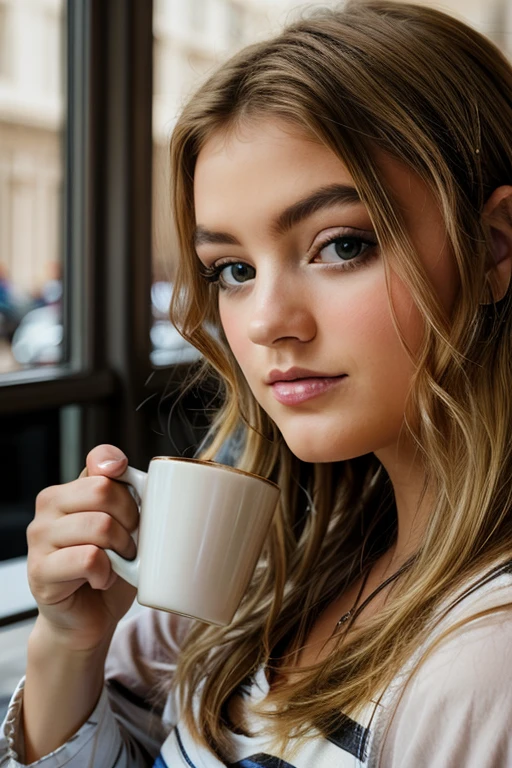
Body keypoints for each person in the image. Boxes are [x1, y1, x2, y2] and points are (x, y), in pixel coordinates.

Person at [2, 1, 512, 765]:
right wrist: (70, 645)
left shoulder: (485, 665)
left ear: (494, 248)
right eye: (232, 271)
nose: (270, 321)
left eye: (342, 245)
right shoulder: (274, 556)